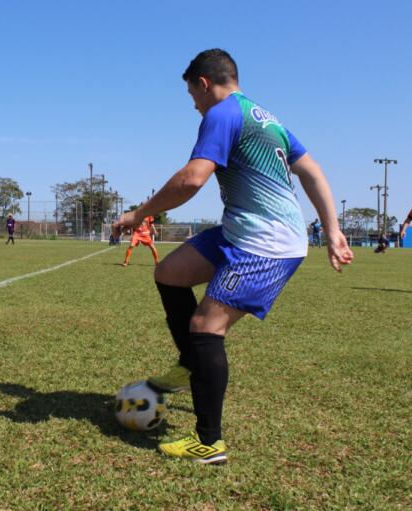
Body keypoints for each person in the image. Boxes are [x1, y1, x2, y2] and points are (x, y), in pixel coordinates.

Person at [112, 49, 353, 464]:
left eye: (192, 95)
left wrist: (138, 214)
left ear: (204, 83)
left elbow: (192, 179)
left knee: (207, 324)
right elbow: (312, 170)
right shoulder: (266, 117)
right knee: (169, 272)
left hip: (266, 242)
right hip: (238, 230)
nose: (194, 105)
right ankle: (190, 365)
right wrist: (332, 230)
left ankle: (209, 442)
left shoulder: (222, 113)